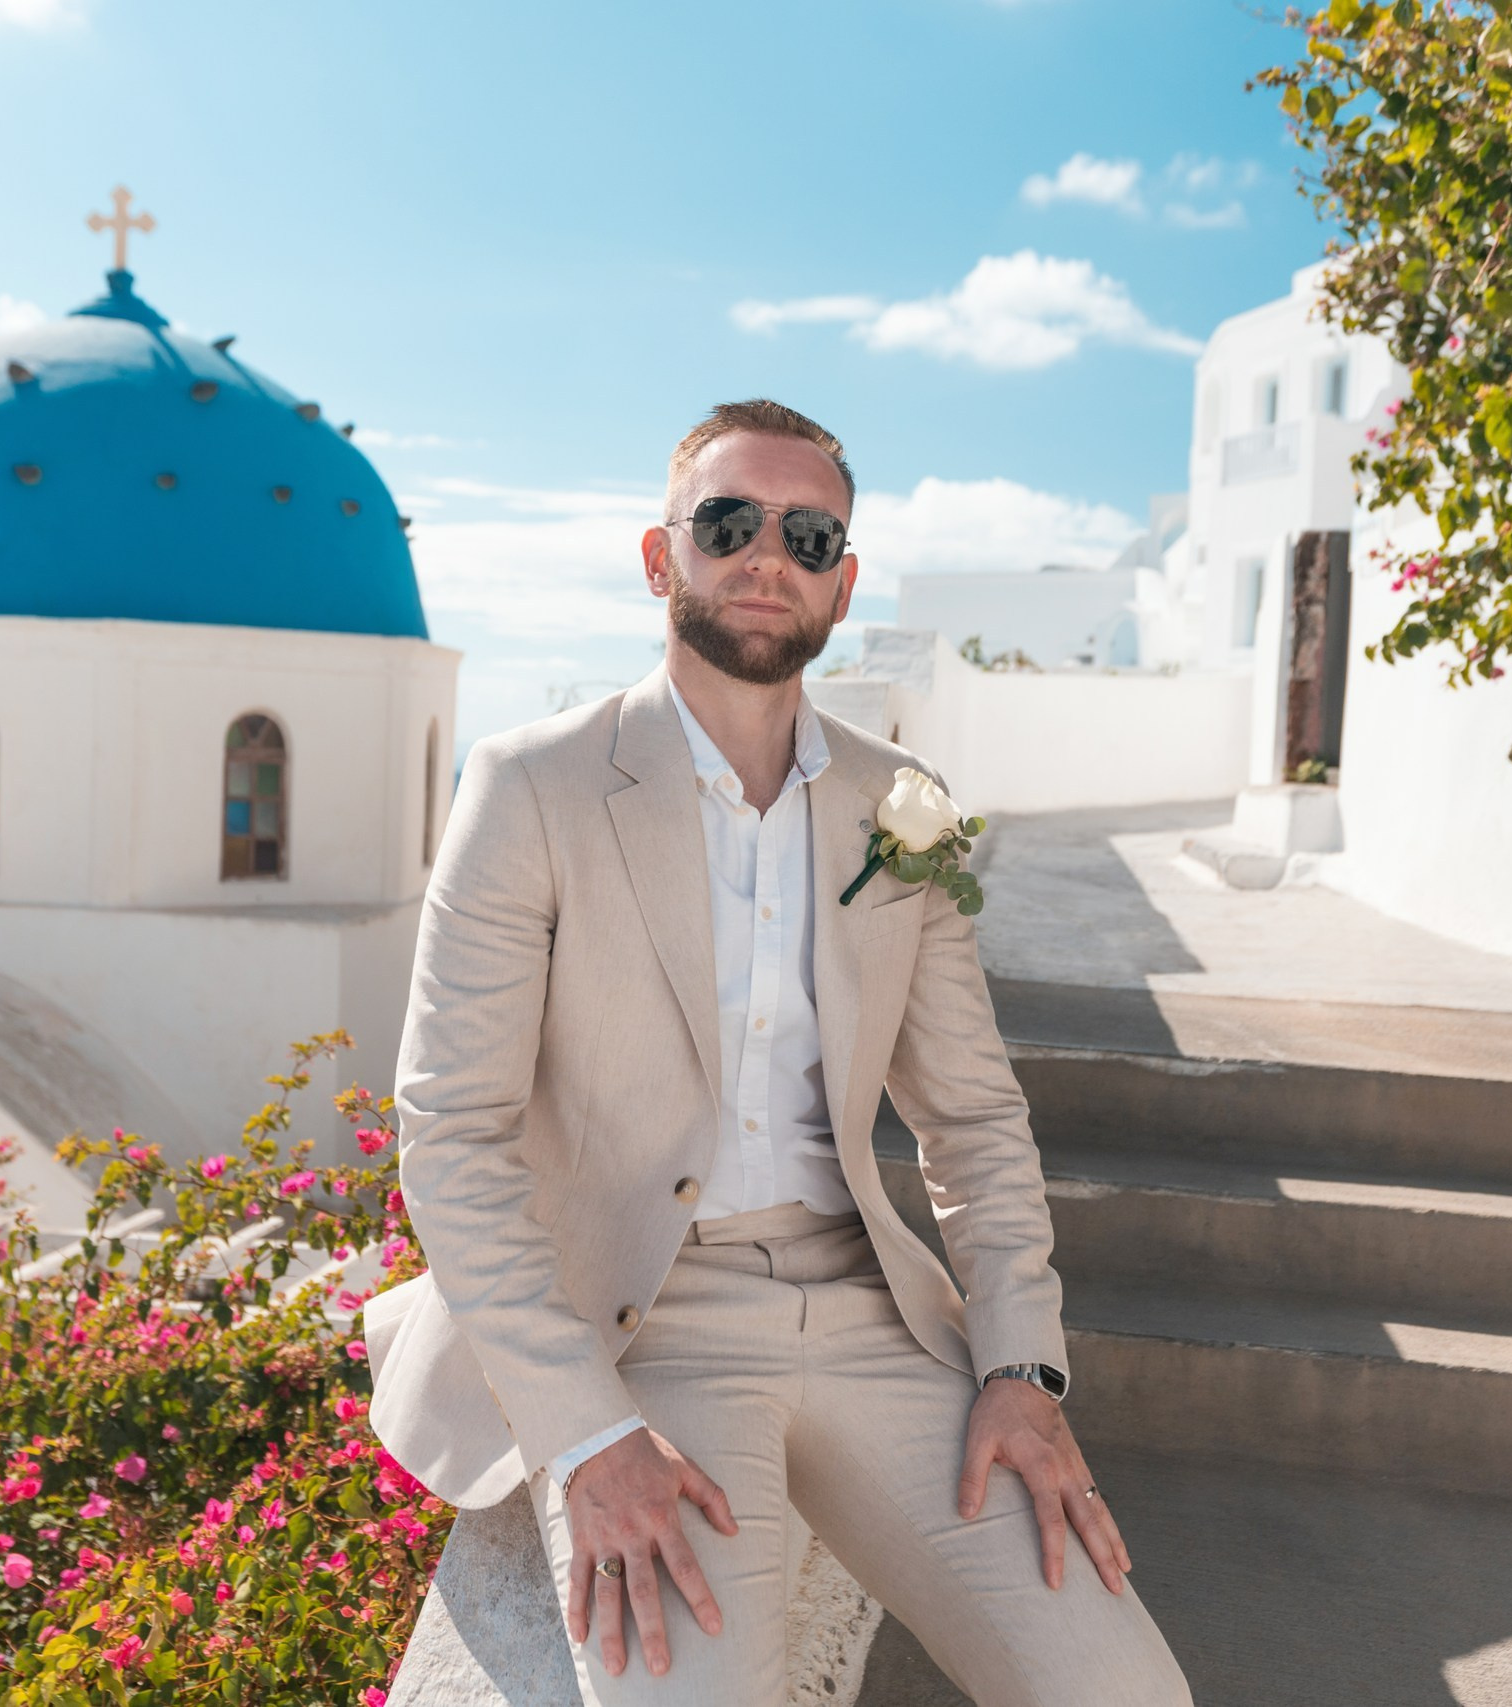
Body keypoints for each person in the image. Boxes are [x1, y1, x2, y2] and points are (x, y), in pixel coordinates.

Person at [363, 400, 1192, 1705]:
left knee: (1125, 1694)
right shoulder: (531, 786)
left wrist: (1024, 1371)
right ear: (660, 557)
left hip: (871, 1318)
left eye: (808, 535)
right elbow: (451, 1137)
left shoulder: (902, 810)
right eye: (728, 523)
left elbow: (971, 1117)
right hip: (647, 1329)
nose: (768, 558)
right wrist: (585, 1436)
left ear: (843, 583)